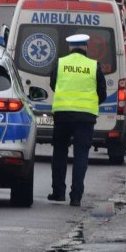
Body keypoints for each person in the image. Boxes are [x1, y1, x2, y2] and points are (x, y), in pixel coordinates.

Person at [48, 34, 107, 207]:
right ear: (86, 47)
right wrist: (90, 103)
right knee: (81, 155)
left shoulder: (61, 63)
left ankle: (58, 193)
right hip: (85, 117)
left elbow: (53, 84)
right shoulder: (93, 65)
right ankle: (76, 196)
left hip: (63, 115)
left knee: (59, 153)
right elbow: (102, 92)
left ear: (70, 47)